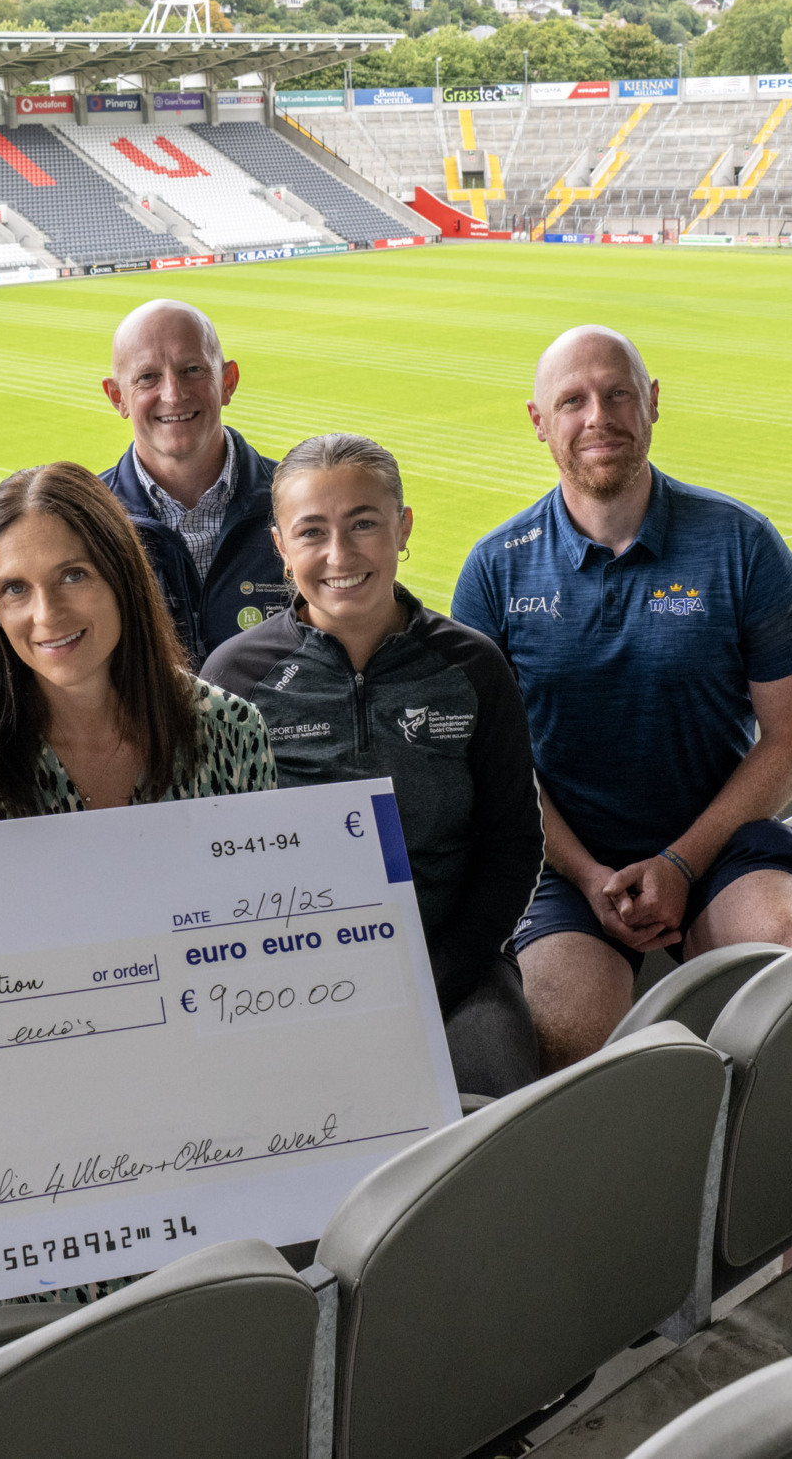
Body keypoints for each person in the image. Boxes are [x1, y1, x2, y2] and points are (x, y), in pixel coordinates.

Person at [452, 326, 792, 1073]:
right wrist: (587, 873)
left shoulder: (742, 544)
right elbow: (488, 770)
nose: (599, 417)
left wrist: (682, 863)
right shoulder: (494, 571)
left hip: (720, 843)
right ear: (538, 422)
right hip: (563, 863)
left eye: (618, 393)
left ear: (652, 402)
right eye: (572, 401)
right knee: (565, 1047)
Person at [203, 434, 542, 1097]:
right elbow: (213, 864)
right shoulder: (235, 679)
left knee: (493, 1113)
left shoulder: (472, 667)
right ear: (280, 546)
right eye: (312, 532)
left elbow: (513, 847)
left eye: (363, 524)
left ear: (402, 527)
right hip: (284, 982)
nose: (339, 555)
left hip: (455, 973)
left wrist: (430, 979)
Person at [0, 461, 276, 826]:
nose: (47, 615)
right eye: (15, 588)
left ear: (122, 577)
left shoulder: (234, 730)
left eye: (73, 576)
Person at [98, 299, 288, 663]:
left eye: (192, 369)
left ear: (227, 381)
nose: (174, 394)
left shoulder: (299, 503)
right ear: (118, 397)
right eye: (148, 377)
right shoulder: (85, 521)